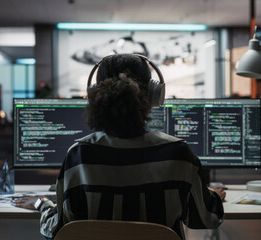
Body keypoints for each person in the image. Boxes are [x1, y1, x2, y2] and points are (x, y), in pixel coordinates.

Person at [15, 54, 225, 240]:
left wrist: (41, 204)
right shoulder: (179, 154)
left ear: (93, 94)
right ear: (154, 94)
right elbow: (207, 219)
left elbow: (58, 229)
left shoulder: (80, 155)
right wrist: (212, 196)